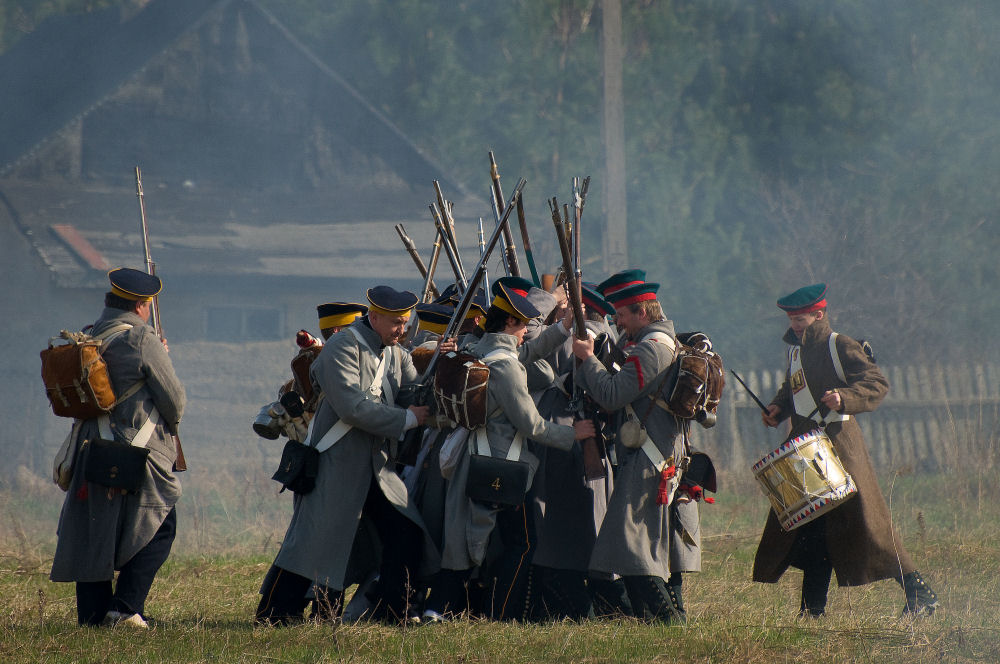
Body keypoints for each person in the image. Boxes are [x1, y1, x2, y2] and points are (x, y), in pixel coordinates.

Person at [255, 286, 438, 625]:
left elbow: (412, 389)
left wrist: (438, 361)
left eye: (406, 323)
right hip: (336, 464)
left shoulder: (394, 352)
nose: (403, 330)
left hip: (375, 469)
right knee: (312, 545)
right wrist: (408, 418)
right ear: (375, 316)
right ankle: (276, 613)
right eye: (397, 322)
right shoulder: (343, 347)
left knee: (404, 532)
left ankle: (390, 612)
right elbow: (353, 407)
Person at [754, 283, 939, 617]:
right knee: (812, 527)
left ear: (819, 314)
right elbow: (792, 388)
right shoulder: (795, 351)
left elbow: (876, 383)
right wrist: (777, 408)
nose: (795, 325)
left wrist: (844, 397)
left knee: (871, 527)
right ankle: (812, 609)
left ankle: (920, 594)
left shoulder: (839, 344)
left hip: (840, 445)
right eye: (792, 319)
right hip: (806, 449)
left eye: (801, 319)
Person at [422, 281, 594, 622]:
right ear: (510, 324)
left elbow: (526, 353)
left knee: (471, 540)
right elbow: (531, 424)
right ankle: (500, 613)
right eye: (523, 326)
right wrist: (572, 434)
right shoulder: (506, 366)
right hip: (503, 463)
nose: (526, 333)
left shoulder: (480, 348)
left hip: (477, 458)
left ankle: (440, 609)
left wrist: (564, 327)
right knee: (520, 543)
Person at [50, 267, 186, 628]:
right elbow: (174, 401)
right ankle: (125, 609)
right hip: (135, 450)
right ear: (141, 306)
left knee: (97, 529)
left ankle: (93, 616)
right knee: (160, 524)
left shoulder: (91, 333)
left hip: (90, 447)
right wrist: (160, 353)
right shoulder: (142, 338)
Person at [571, 273, 687, 623]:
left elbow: (612, 394)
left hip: (651, 455)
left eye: (621, 314)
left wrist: (588, 359)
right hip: (647, 453)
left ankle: (671, 622)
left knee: (633, 543)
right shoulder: (653, 342)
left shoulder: (653, 347)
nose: (616, 321)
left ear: (642, 313)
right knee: (632, 542)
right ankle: (657, 621)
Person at [530, 282, 617, 620]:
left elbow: (531, 337)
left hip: (566, 432)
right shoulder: (609, 336)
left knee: (560, 530)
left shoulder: (570, 338)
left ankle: (571, 604)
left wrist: (550, 302)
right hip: (593, 434)